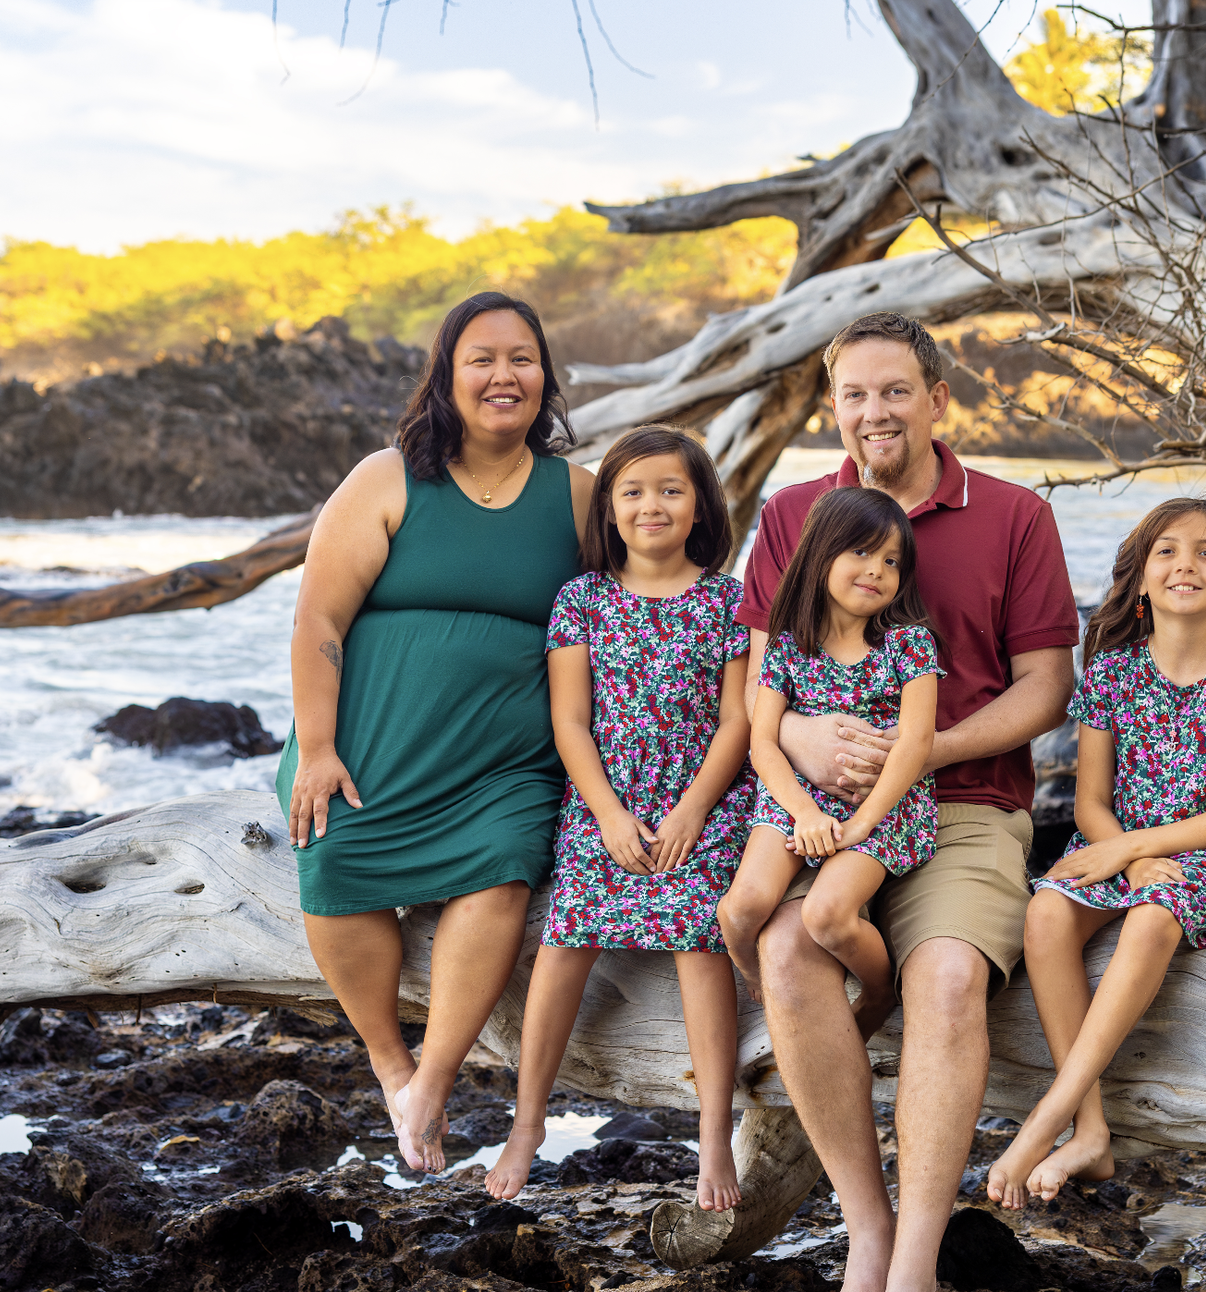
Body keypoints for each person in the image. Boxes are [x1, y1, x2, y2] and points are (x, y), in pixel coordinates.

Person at [738, 311, 1078, 1292]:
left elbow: (1046, 689)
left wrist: (923, 747)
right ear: (832, 408)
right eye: (853, 395)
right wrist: (803, 744)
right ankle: (868, 1233)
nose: (873, 413)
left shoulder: (1015, 515)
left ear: (937, 399)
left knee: (945, 978)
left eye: (895, 391)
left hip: (966, 806)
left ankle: (916, 1275)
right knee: (785, 951)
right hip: (828, 809)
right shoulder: (793, 514)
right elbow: (760, 685)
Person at [280, 291, 594, 1174]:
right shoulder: (387, 479)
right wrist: (317, 750)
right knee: (334, 863)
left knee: (502, 871)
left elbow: (644, 601)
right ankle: (390, 1062)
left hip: (508, 764)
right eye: (481, 359)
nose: (504, 375)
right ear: (447, 377)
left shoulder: (577, 495)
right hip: (369, 744)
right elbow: (318, 621)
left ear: (545, 377)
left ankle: (435, 1080)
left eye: (522, 358)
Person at [988, 498, 1206, 1207]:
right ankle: (1090, 1128)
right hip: (1116, 846)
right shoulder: (1112, 674)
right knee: (1046, 913)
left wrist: (1139, 853)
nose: (1186, 564)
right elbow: (1090, 803)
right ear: (1140, 582)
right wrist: (1126, 857)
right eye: (1167, 551)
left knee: (1155, 913)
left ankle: (1048, 1116)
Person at [484, 426, 755, 1210]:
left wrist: (692, 811)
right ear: (608, 507)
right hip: (606, 803)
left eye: (671, 489)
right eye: (632, 491)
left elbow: (737, 722)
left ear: (700, 504)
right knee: (565, 938)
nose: (651, 505)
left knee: (698, 938)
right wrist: (606, 814)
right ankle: (526, 1124)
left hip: (701, 803)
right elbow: (570, 721)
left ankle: (713, 1134)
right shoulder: (583, 600)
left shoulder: (728, 600)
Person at [719, 487, 940, 1041]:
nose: (878, 570)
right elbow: (763, 744)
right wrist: (803, 813)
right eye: (861, 552)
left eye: (892, 561)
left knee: (827, 917)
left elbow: (915, 745)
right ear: (821, 554)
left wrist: (862, 823)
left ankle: (881, 989)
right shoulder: (789, 644)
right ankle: (756, 980)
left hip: (884, 805)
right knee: (740, 911)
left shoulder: (910, 645)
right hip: (796, 798)